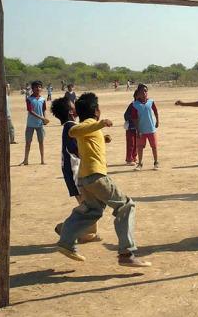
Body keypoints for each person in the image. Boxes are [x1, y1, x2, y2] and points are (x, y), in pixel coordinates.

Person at [56, 92, 151, 267]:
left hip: (86, 178)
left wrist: (102, 138)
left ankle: (66, 240)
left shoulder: (91, 127)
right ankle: (126, 253)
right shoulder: (88, 124)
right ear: (96, 111)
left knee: (93, 211)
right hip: (96, 176)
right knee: (125, 205)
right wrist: (100, 124)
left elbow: (86, 139)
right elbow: (72, 131)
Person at [50, 96, 100, 244]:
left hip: (76, 172)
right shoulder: (71, 127)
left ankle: (86, 232)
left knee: (90, 205)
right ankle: (66, 228)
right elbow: (73, 149)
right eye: (74, 105)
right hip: (75, 173)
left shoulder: (71, 126)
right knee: (88, 206)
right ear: (72, 112)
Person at [131, 83, 160, 170]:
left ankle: (156, 162)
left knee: (154, 146)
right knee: (140, 147)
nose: (144, 93)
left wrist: (158, 121)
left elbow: (155, 111)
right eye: (142, 91)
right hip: (141, 130)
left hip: (151, 129)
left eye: (145, 91)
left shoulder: (151, 101)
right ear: (138, 93)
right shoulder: (135, 104)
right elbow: (134, 118)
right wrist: (138, 130)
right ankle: (140, 163)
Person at [21, 80, 49, 165]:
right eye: (36, 87)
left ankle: (42, 160)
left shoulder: (43, 99)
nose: (38, 88)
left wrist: (45, 118)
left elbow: (44, 110)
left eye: (39, 87)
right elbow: (30, 111)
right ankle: (26, 160)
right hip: (30, 124)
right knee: (28, 143)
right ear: (32, 89)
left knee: (41, 142)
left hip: (40, 125)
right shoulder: (29, 99)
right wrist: (42, 118)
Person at [123, 89, 139, 166]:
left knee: (136, 143)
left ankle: (134, 157)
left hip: (137, 128)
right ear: (135, 96)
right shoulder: (132, 105)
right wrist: (132, 119)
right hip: (131, 127)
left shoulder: (140, 105)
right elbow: (125, 115)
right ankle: (129, 159)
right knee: (131, 143)